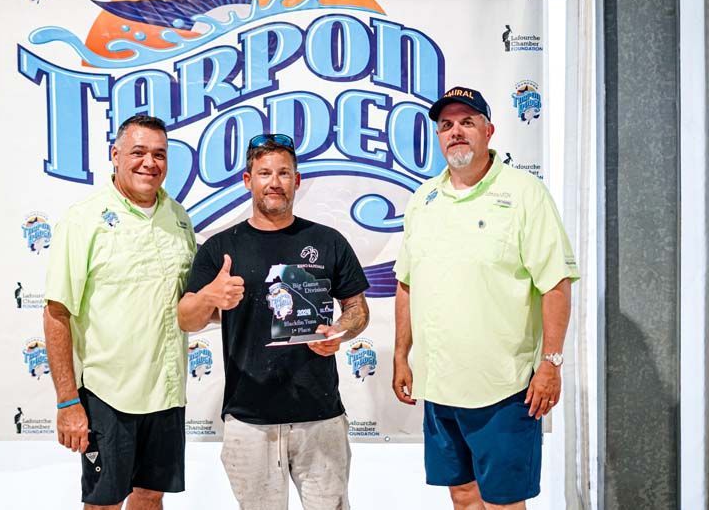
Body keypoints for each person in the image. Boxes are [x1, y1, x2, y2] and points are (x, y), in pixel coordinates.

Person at [392, 86, 580, 510]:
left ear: (489, 131)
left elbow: (555, 283)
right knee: (462, 496)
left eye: (467, 122)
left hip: (505, 388)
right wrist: (401, 356)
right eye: (446, 125)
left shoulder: (525, 194)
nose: (456, 132)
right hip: (440, 386)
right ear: (439, 137)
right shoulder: (424, 200)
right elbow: (407, 283)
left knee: (503, 503)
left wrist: (550, 365)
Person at [178, 133, 370, 510]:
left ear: (297, 181)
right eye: (264, 172)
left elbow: (358, 308)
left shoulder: (327, 240)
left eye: (284, 173)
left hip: (321, 416)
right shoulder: (220, 247)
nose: (275, 182)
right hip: (249, 420)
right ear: (248, 180)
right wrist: (208, 297)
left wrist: (340, 331)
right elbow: (186, 317)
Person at [43, 114, 196, 510]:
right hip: (107, 395)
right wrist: (66, 402)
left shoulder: (179, 218)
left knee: (150, 495)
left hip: (166, 392)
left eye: (159, 154)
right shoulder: (83, 220)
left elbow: (191, 304)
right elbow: (57, 312)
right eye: (138, 152)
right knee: (104, 502)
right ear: (115, 155)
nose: (150, 163)